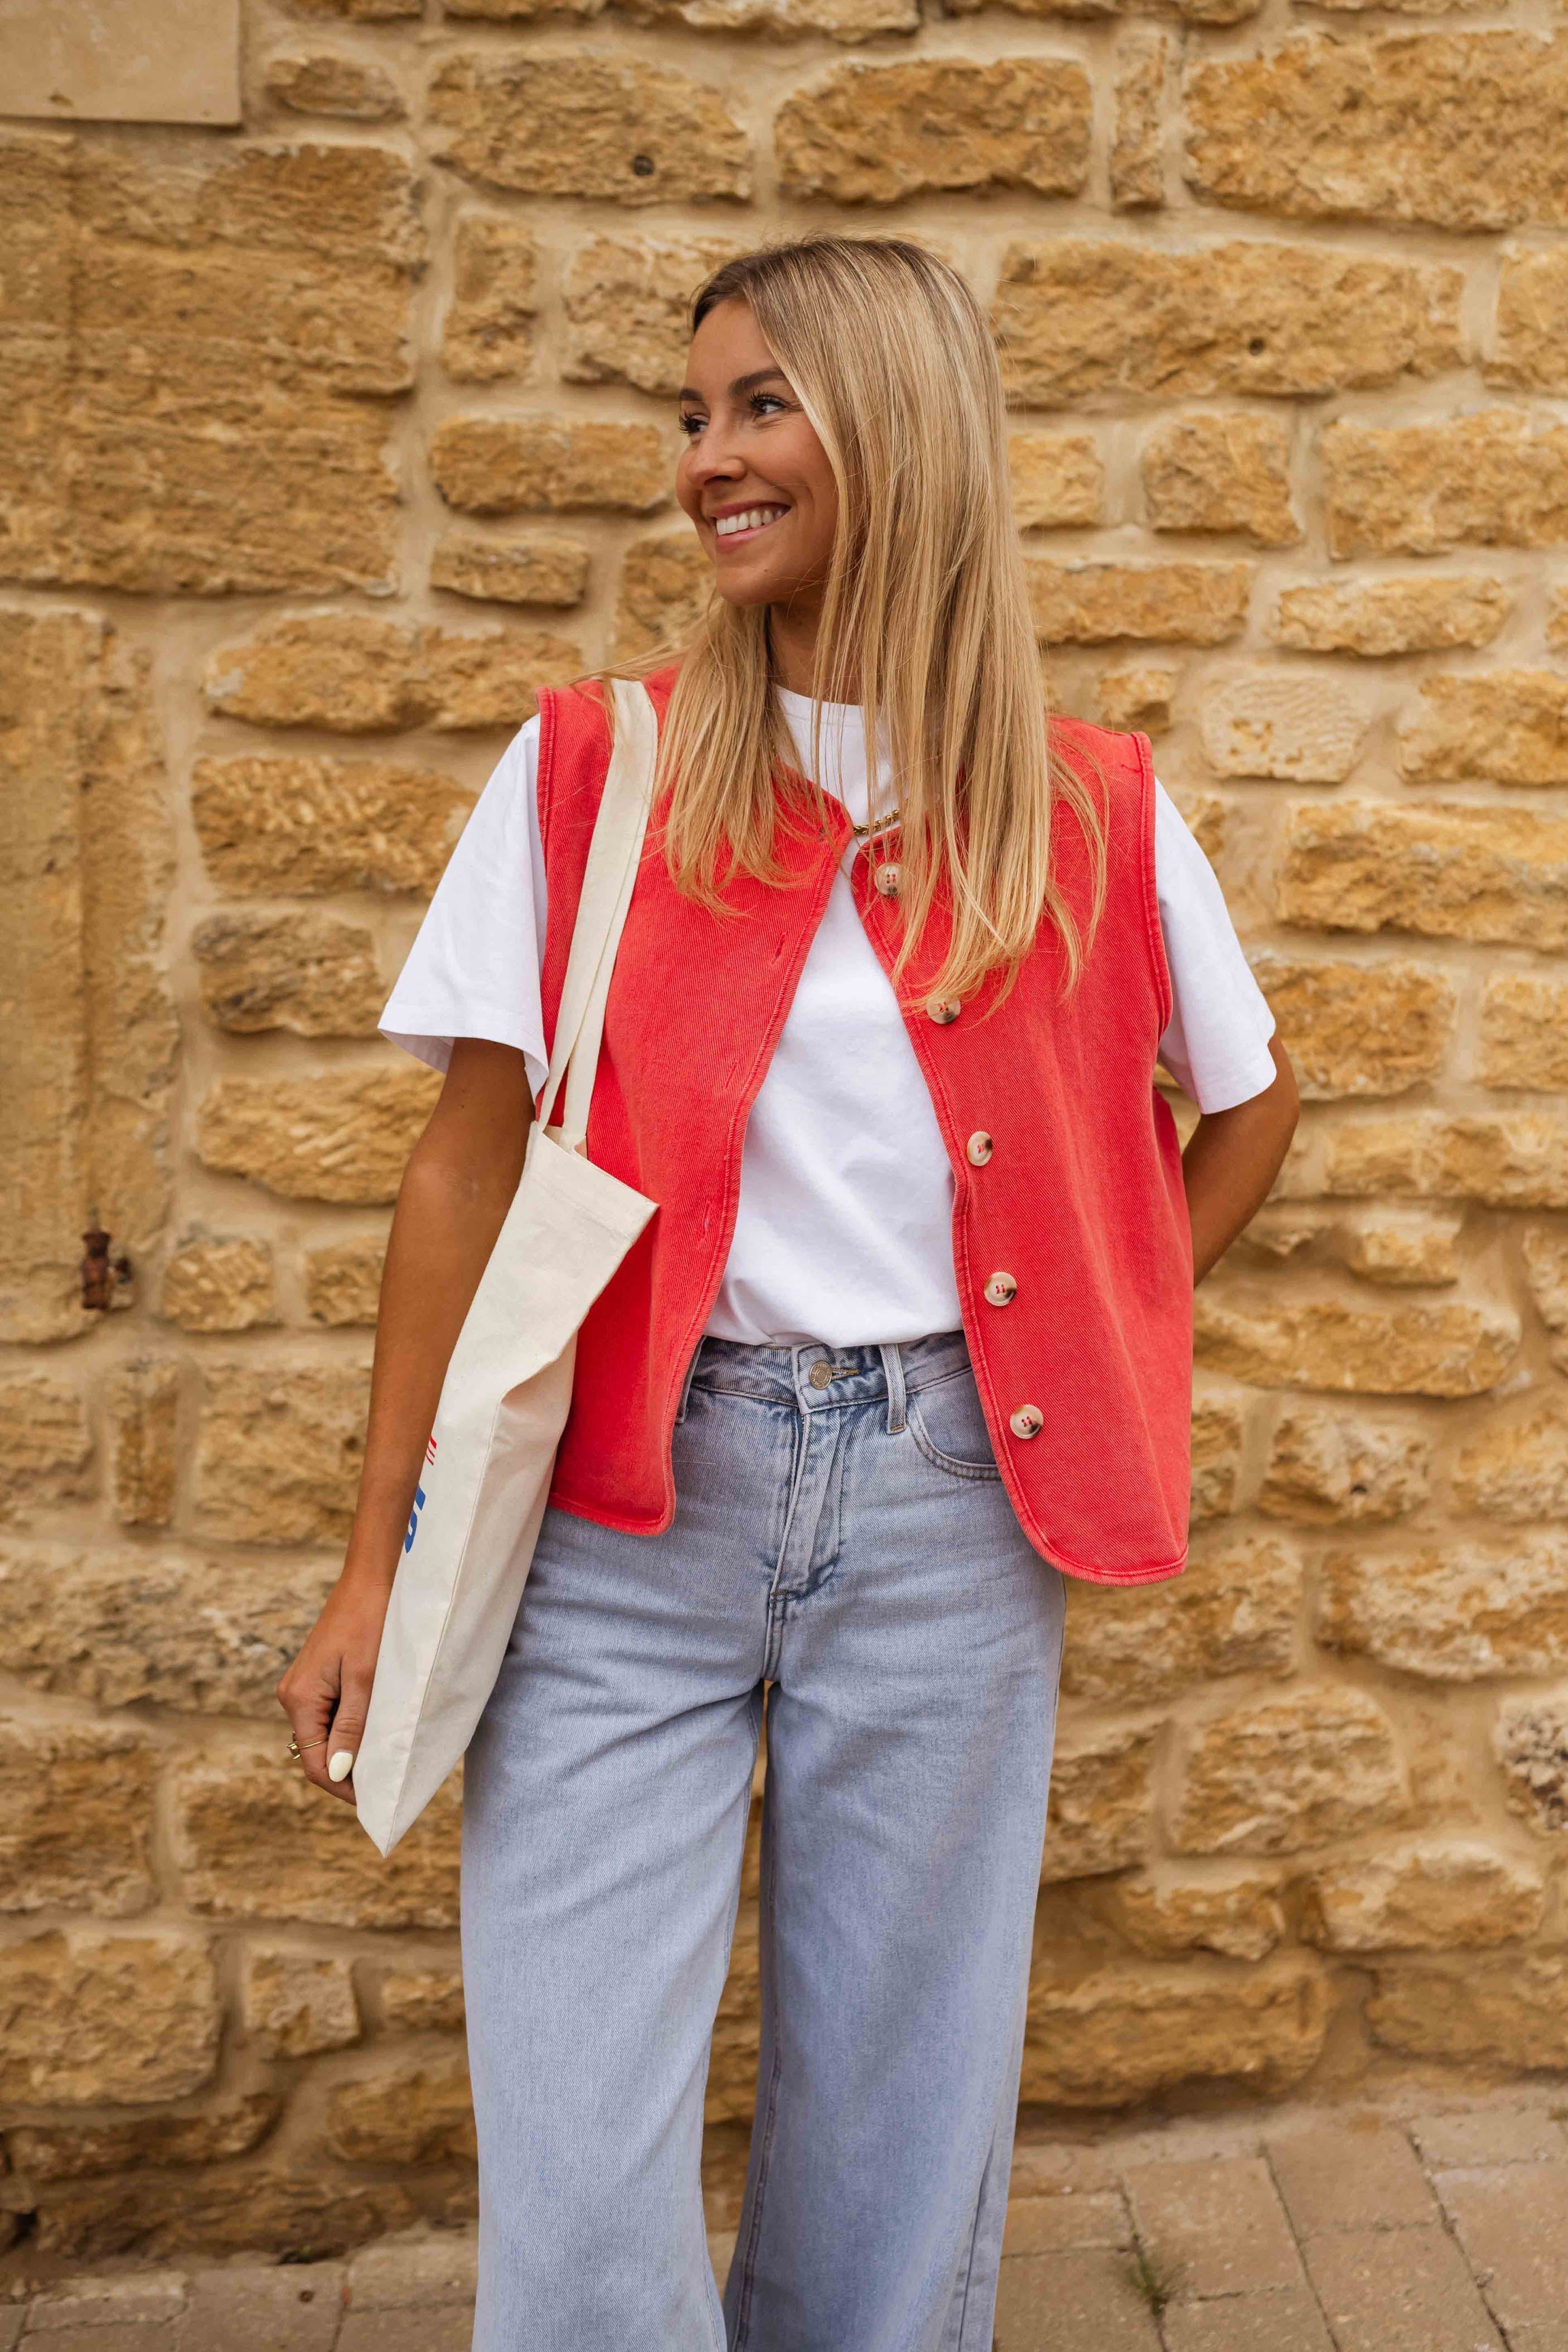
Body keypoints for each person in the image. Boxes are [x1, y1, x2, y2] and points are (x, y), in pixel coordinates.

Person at [278, 233, 1300, 2351]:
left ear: (898, 431)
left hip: (947, 1509)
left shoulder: (1086, 805)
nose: (706, 460)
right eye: (693, 416)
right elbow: (462, 1165)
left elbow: (1251, 1100)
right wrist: (376, 1555)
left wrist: (1087, 1326)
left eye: (761, 407)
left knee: (895, 2144)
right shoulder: (597, 770)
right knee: (578, 2172)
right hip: (622, 1509)